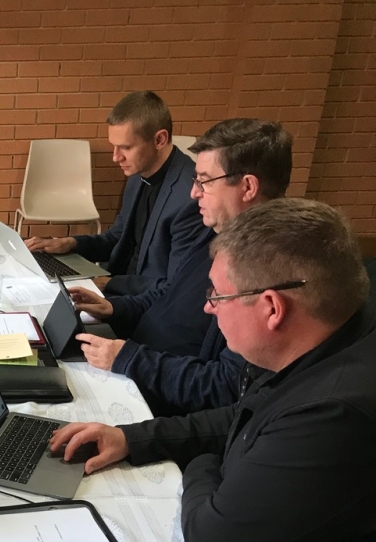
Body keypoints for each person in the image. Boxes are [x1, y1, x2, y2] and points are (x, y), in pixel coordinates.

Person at [49, 199, 376, 542]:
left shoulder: (336, 412)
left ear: (272, 308)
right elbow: (242, 416)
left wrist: (204, 460)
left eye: (218, 296)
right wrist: (134, 437)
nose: (208, 309)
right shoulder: (330, 337)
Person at [67, 119, 292, 415]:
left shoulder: (270, 270)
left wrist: (130, 359)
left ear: (248, 187)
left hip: (158, 392)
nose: (194, 193)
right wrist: (113, 308)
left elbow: (223, 387)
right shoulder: (216, 232)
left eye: (205, 181)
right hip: (135, 358)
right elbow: (169, 292)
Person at [27, 91, 212, 296]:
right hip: (118, 288)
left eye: (125, 147)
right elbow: (117, 237)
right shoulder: (138, 173)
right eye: (114, 146)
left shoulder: (190, 197)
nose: (116, 157)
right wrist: (70, 244)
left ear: (159, 139)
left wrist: (109, 285)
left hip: (145, 303)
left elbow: (174, 286)